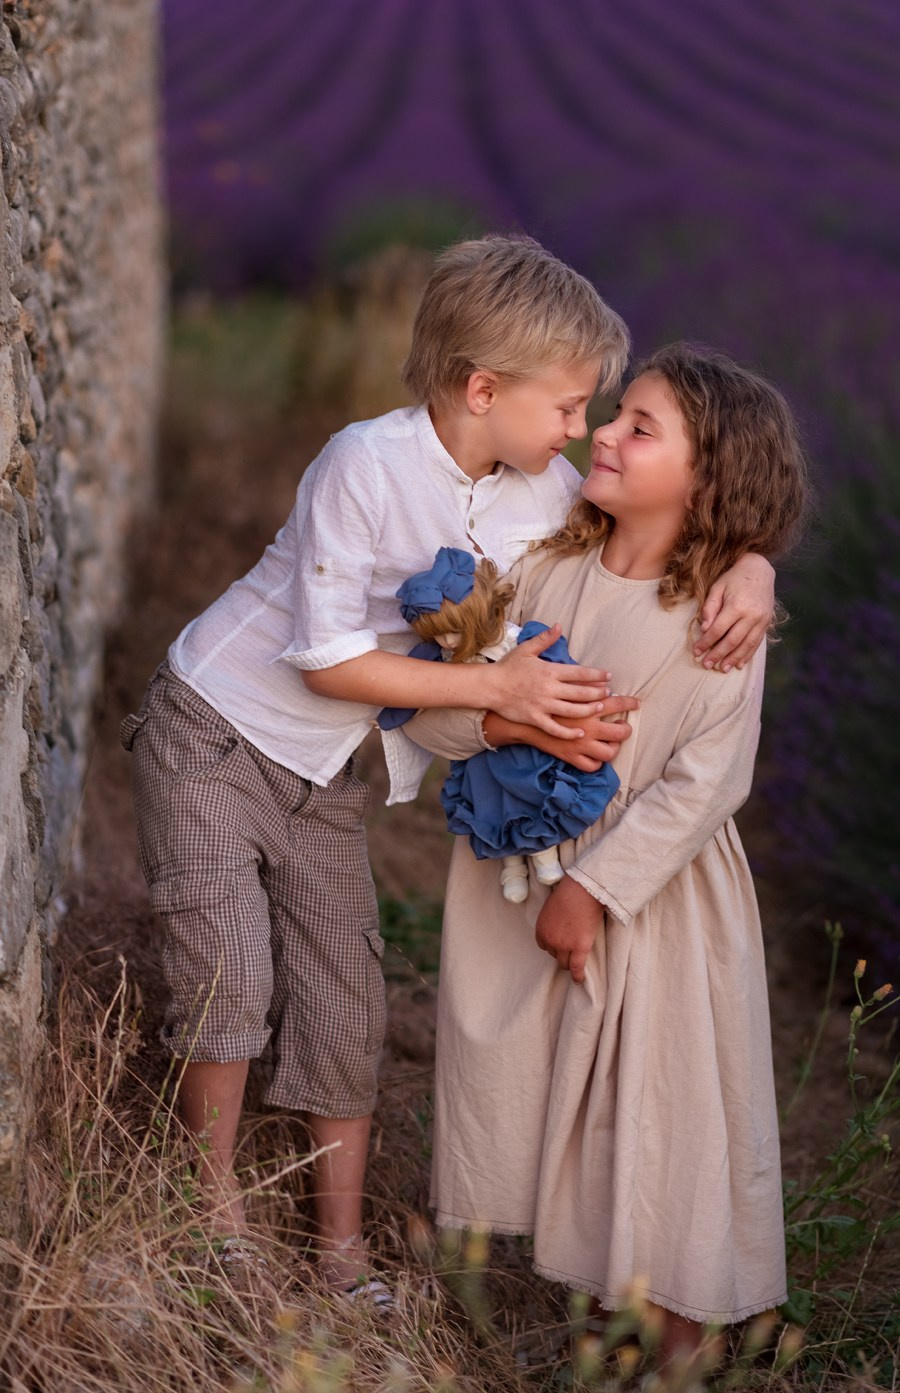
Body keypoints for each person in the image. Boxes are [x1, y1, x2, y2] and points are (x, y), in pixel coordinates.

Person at [120, 234, 774, 1297]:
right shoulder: (361, 465)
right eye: (568, 407)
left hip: (326, 775)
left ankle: (339, 1250)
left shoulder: (541, 489)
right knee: (229, 970)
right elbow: (328, 659)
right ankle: (210, 1218)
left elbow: (681, 502)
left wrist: (753, 560)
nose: (582, 433)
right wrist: (497, 693)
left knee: (348, 995)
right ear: (482, 389)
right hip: (214, 731)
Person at [405, 342, 807, 1368]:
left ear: (710, 477)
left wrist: (592, 887)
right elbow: (431, 716)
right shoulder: (543, 566)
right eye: (613, 414)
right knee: (547, 1099)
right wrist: (494, 726)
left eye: (640, 426)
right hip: (517, 872)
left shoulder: (720, 614)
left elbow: (709, 781)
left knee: (655, 1111)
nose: (605, 436)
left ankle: (667, 1346)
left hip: (653, 897)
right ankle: (595, 1325)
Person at [377, 546, 620, 903]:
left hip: (522, 750)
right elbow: (407, 699)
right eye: (437, 636)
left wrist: (579, 701)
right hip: (481, 750)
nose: (446, 642)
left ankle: (542, 854)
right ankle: (511, 866)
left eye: (453, 632)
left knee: (528, 791)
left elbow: (559, 668)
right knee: (488, 802)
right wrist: (393, 712)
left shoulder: (517, 641)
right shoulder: (439, 656)